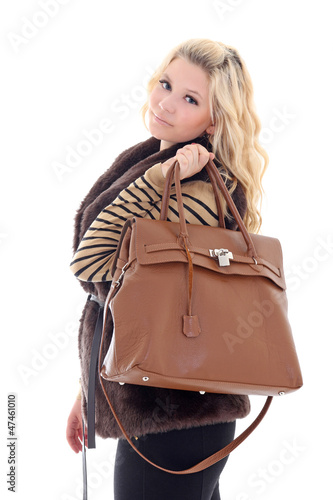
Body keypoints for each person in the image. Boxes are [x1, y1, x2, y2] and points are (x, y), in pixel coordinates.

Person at [66, 38, 268, 500]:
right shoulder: (157, 159)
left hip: (176, 416)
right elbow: (135, 302)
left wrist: (158, 180)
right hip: (162, 406)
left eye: (190, 99)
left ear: (214, 121)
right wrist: (89, 390)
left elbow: (92, 265)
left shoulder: (193, 189)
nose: (166, 103)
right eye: (166, 84)